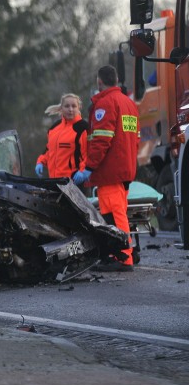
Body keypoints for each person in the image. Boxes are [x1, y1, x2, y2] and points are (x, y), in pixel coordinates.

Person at [73, 65, 140, 272]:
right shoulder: (129, 104)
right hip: (124, 168)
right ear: (117, 79)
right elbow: (135, 139)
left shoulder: (106, 104)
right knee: (115, 214)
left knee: (114, 215)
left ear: (99, 82)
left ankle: (123, 257)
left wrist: (89, 168)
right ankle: (120, 254)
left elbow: (101, 140)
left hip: (109, 171)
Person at [35, 93, 88, 182]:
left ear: (79, 108)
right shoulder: (54, 128)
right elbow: (49, 150)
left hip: (75, 182)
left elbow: (89, 154)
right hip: (54, 181)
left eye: (74, 106)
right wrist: (40, 161)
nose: (70, 109)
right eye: (67, 106)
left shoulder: (83, 127)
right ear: (61, 108)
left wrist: (83, 171)